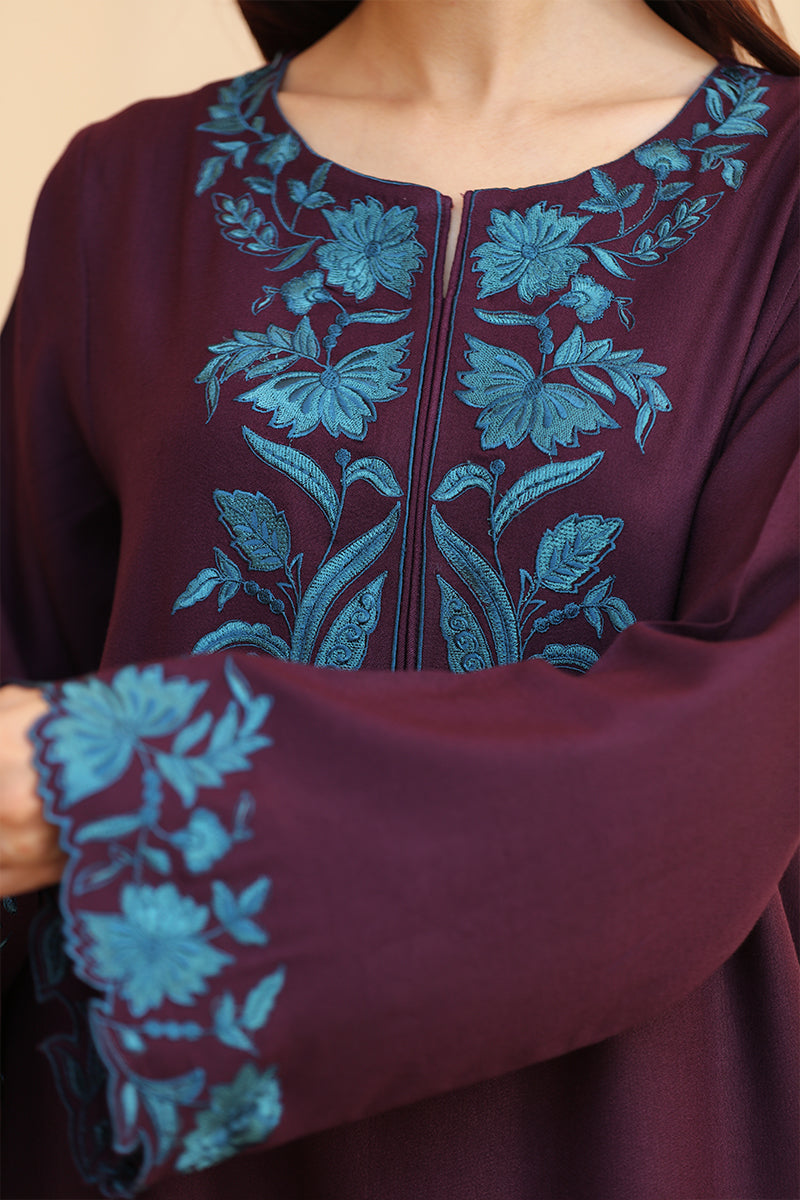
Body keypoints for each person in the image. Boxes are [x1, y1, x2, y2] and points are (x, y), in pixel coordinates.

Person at [1, 0, 797, 1195]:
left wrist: (122, 789)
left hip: (649, 1143)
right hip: (157, 1152)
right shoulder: (129, 192)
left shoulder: (781, 202)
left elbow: (735, 754)